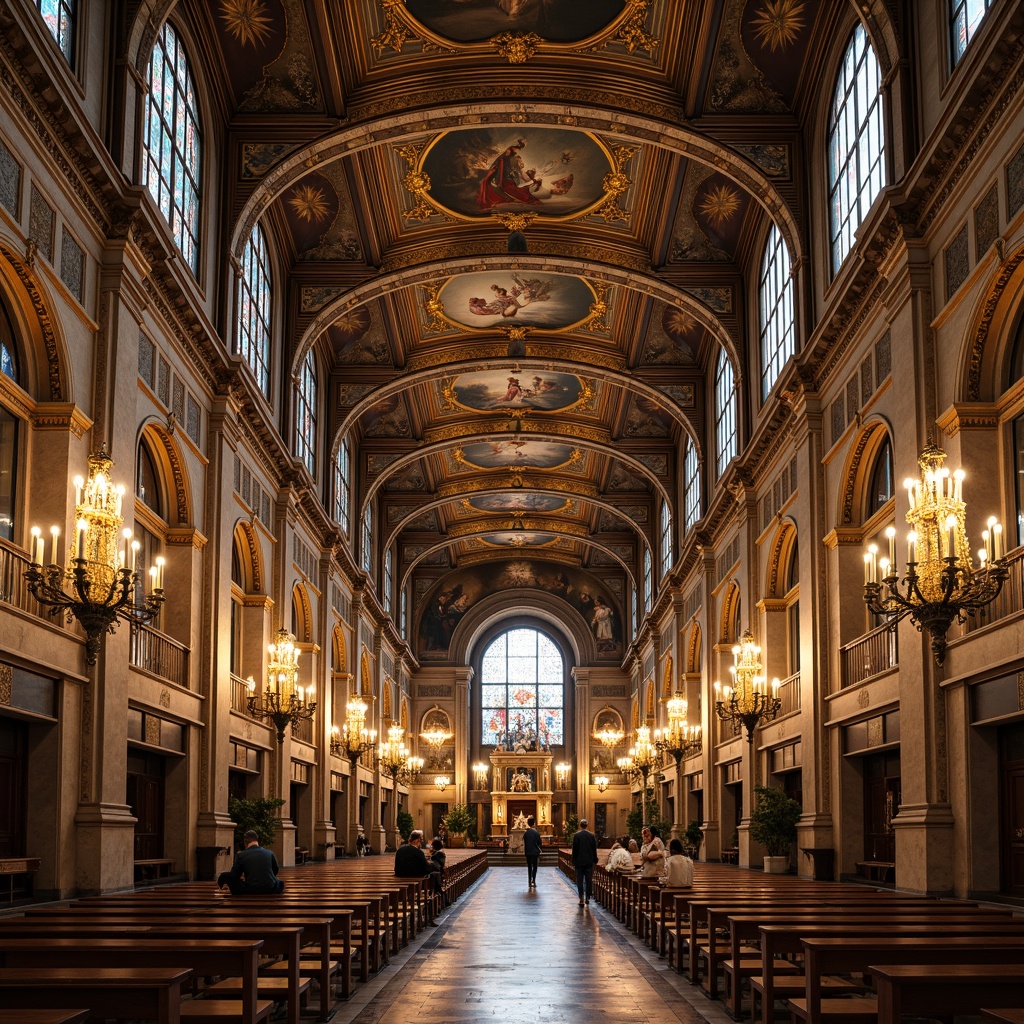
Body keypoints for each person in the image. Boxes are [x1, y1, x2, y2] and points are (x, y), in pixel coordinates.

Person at [217, 830, 284, 895]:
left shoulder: (241, 855)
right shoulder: (269, 853)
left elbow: (235, 875)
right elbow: (275, 870)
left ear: (245, 842)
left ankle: (220, 888)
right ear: (257, 840)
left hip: (251, 889)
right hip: (270, 888)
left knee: (226, 876)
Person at [571, 817, 598, 906]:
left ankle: (581, 898)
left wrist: (573, 860)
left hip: (579, 862)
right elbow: (594, 849)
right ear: (587, 826)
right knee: (588, 880)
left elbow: (574, 849)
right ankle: (587, 897)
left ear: (580, 826)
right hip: (588, 862)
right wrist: (595, 859)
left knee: (579, 880)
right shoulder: (591, 836)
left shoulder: (576, 836)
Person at [429, 838, 449, 907]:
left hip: (438, 872)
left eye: (432, 846)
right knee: (437, 886)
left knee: (436, 885)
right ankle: (443, 899)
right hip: (437, 872)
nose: (432, 847)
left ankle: (442, 899)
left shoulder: (439, 853)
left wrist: (431, 853)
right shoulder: (439, 852)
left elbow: (433, 858)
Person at [523, 815, 542, 888]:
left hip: (528, 852)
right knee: (535, 866)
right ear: (534, 823)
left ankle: (529, 879)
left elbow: (525, 841)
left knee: (529, 866)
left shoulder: (526, 833)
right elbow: (539, 843)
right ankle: (533, 880)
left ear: (528, 823)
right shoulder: (536, 833)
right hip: (535, 852)